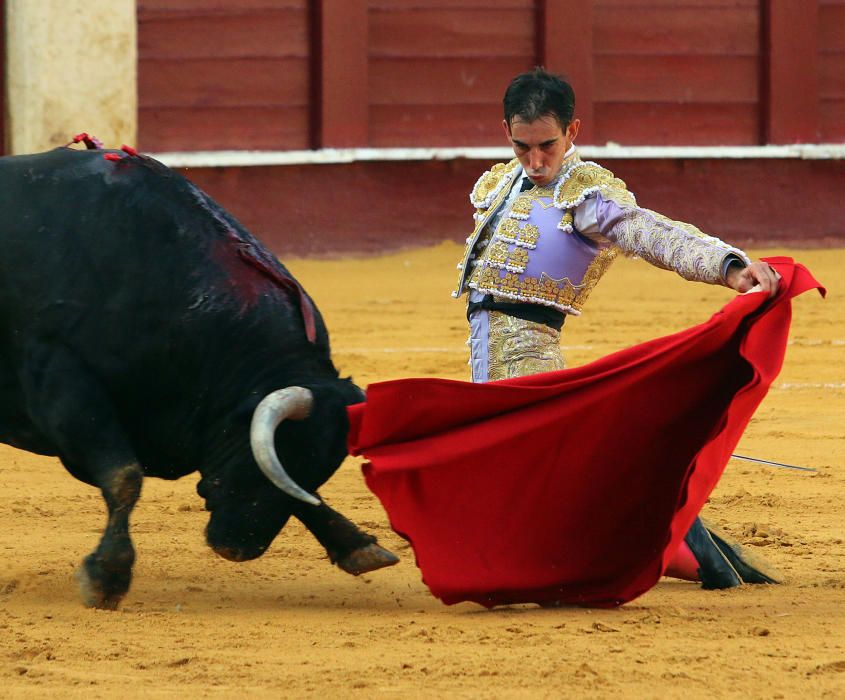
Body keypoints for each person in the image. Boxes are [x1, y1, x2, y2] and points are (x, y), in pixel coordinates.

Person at [452, 67, 781, 590]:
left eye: (548, 146)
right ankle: (697, 549)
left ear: (573, 132)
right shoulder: (503, 183)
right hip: (490, 352)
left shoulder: (586, 196)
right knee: (564, 475)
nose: (536, 162)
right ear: (506, 133)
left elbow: (652, 233)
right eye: (523, 147)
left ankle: (691, 546)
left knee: (549, 478)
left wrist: (728, 266)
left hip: (528, 357)